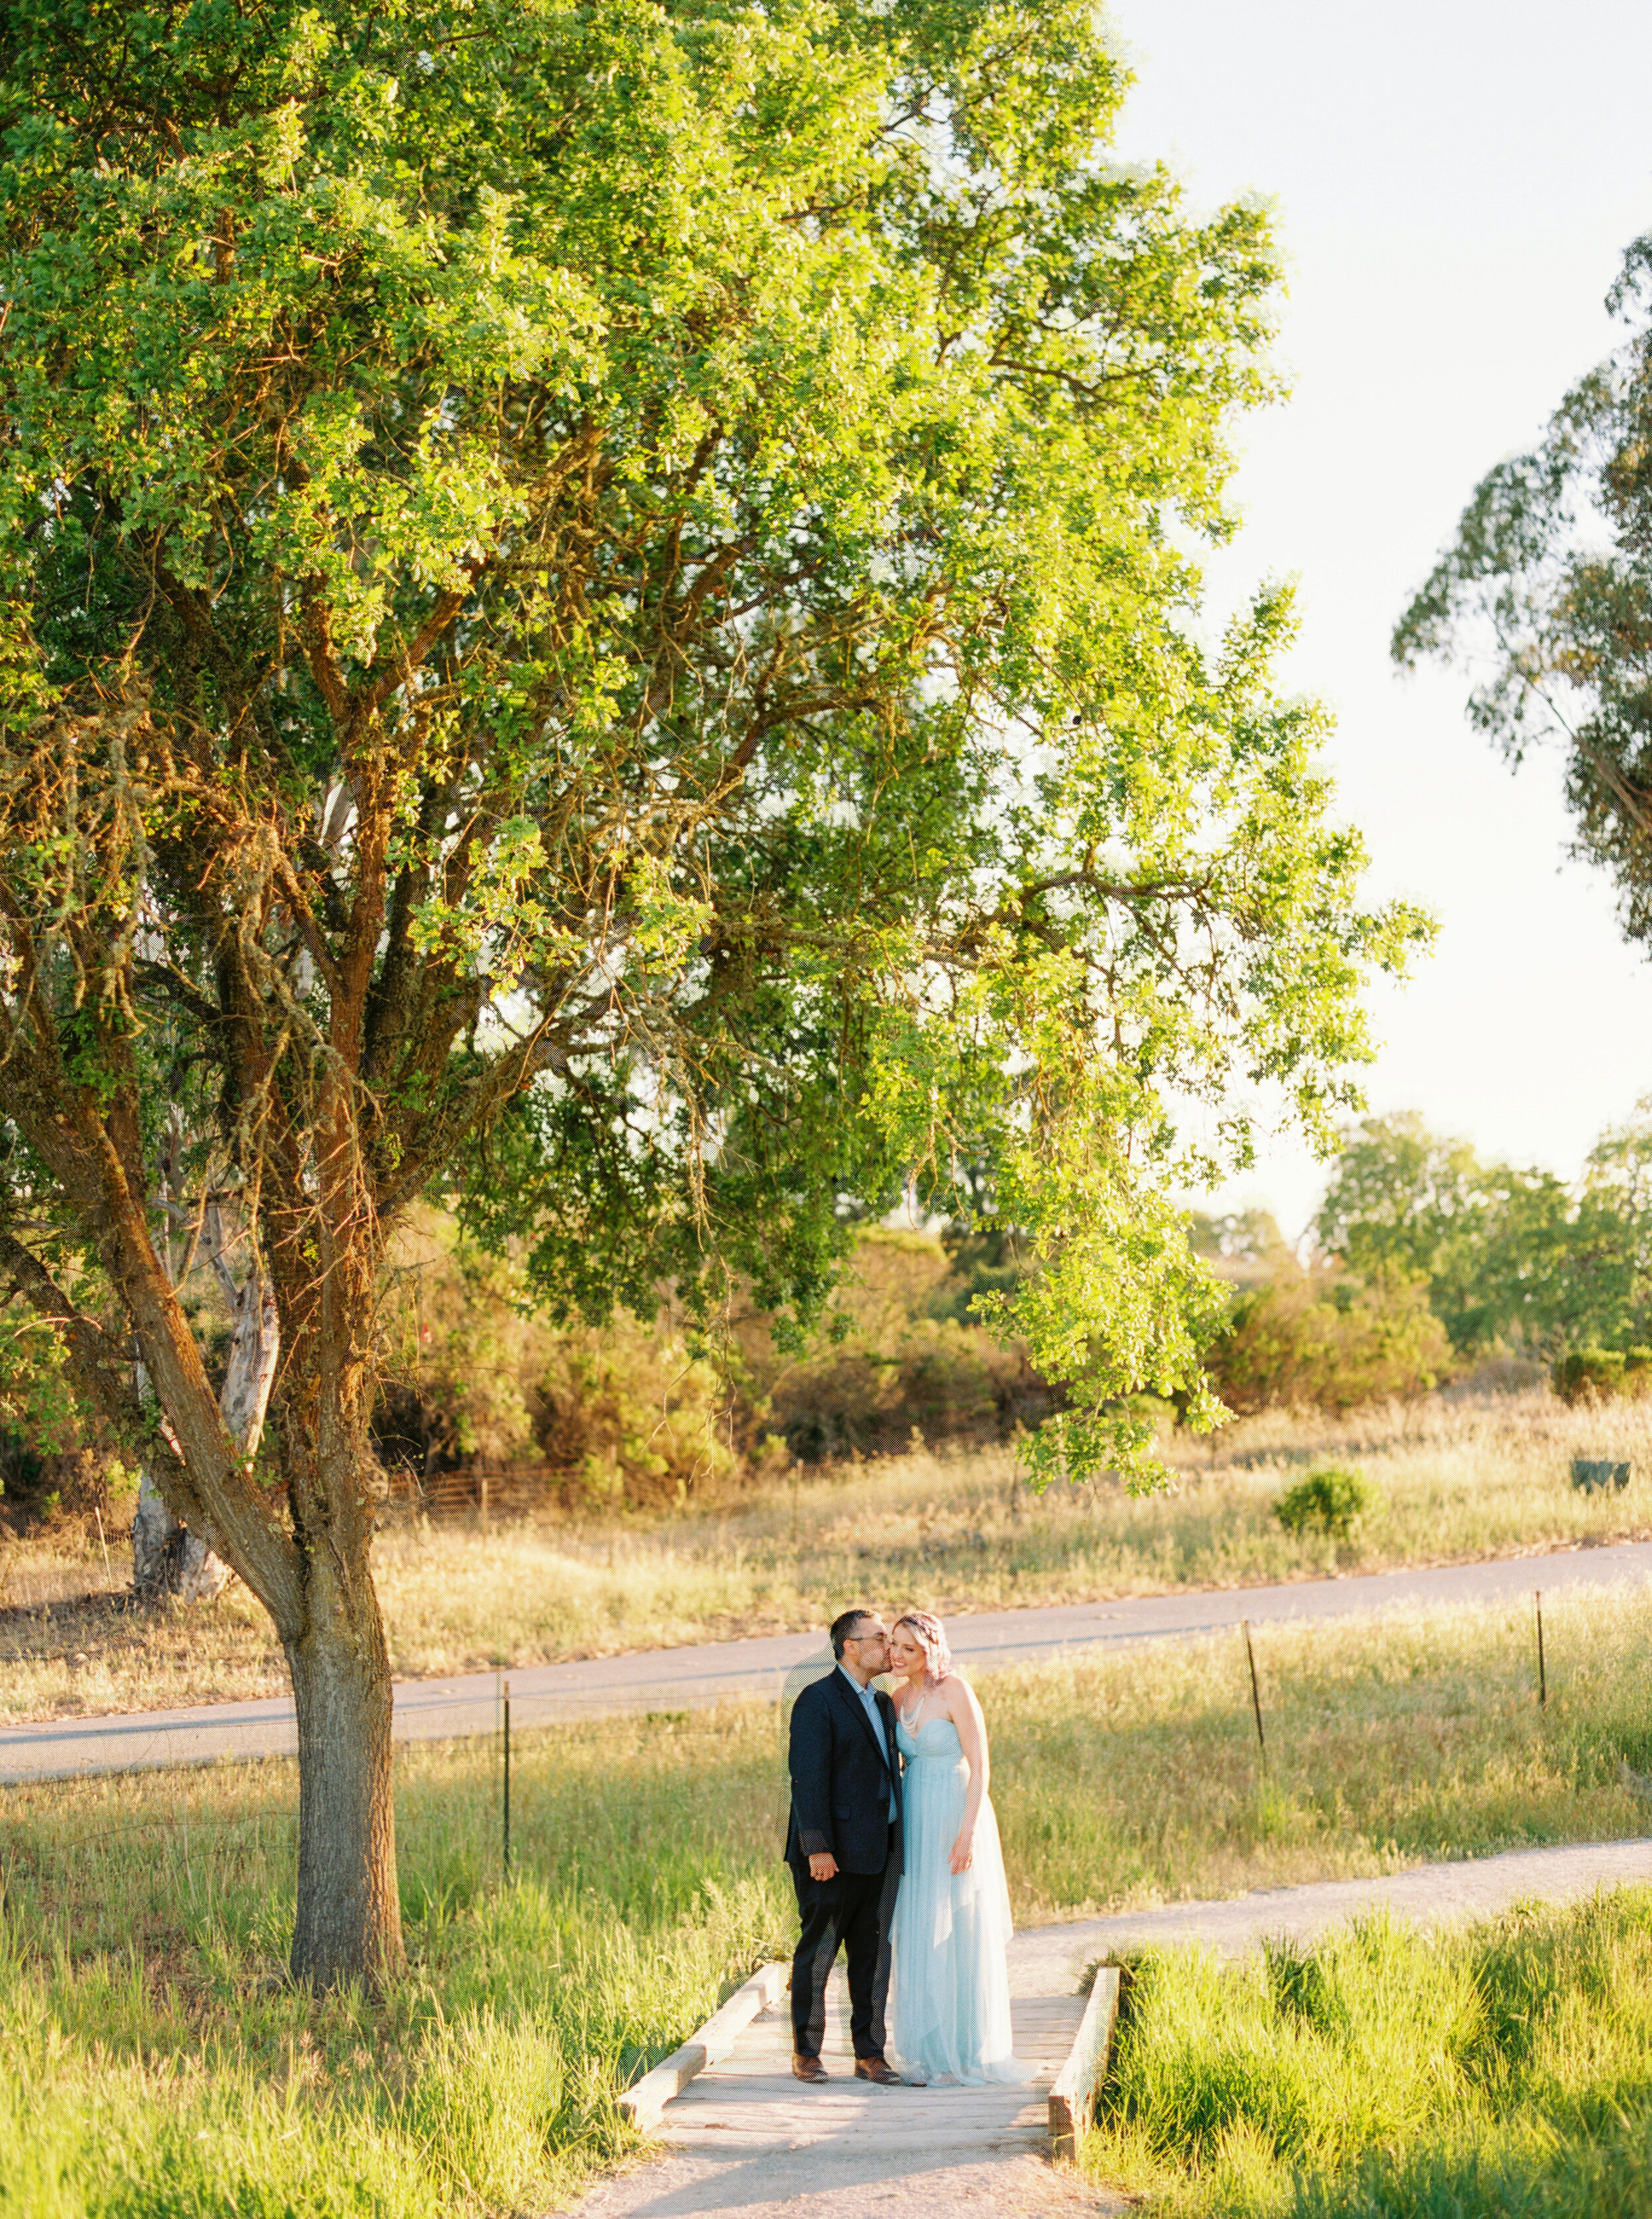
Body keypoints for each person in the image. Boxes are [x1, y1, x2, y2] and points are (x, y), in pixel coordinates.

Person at [885, 1609, 1030, 2086]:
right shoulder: (897, 1697)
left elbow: (981, 1767)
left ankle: (968, 2049)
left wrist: (967, 1832)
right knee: (922, 1926)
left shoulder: (957, 1691)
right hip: (917, 1817)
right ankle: (933, 2053)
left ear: (931, 1650)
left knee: (962, 1924)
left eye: (910, 1648)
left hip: (956, 1811)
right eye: (895, 1645)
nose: (899, 1655)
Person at [783, 1606, 905, 2084]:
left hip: (880, 1852)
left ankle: (869, 2055)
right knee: (819, 1954)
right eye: (879, 1638)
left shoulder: (883, 1703)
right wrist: (817, 1848)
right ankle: (807, 2053)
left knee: (873, 1958)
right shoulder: (818, 1700)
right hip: (830, 1857)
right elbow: (807, 1779)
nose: (888, 1647)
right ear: (850, 1647)